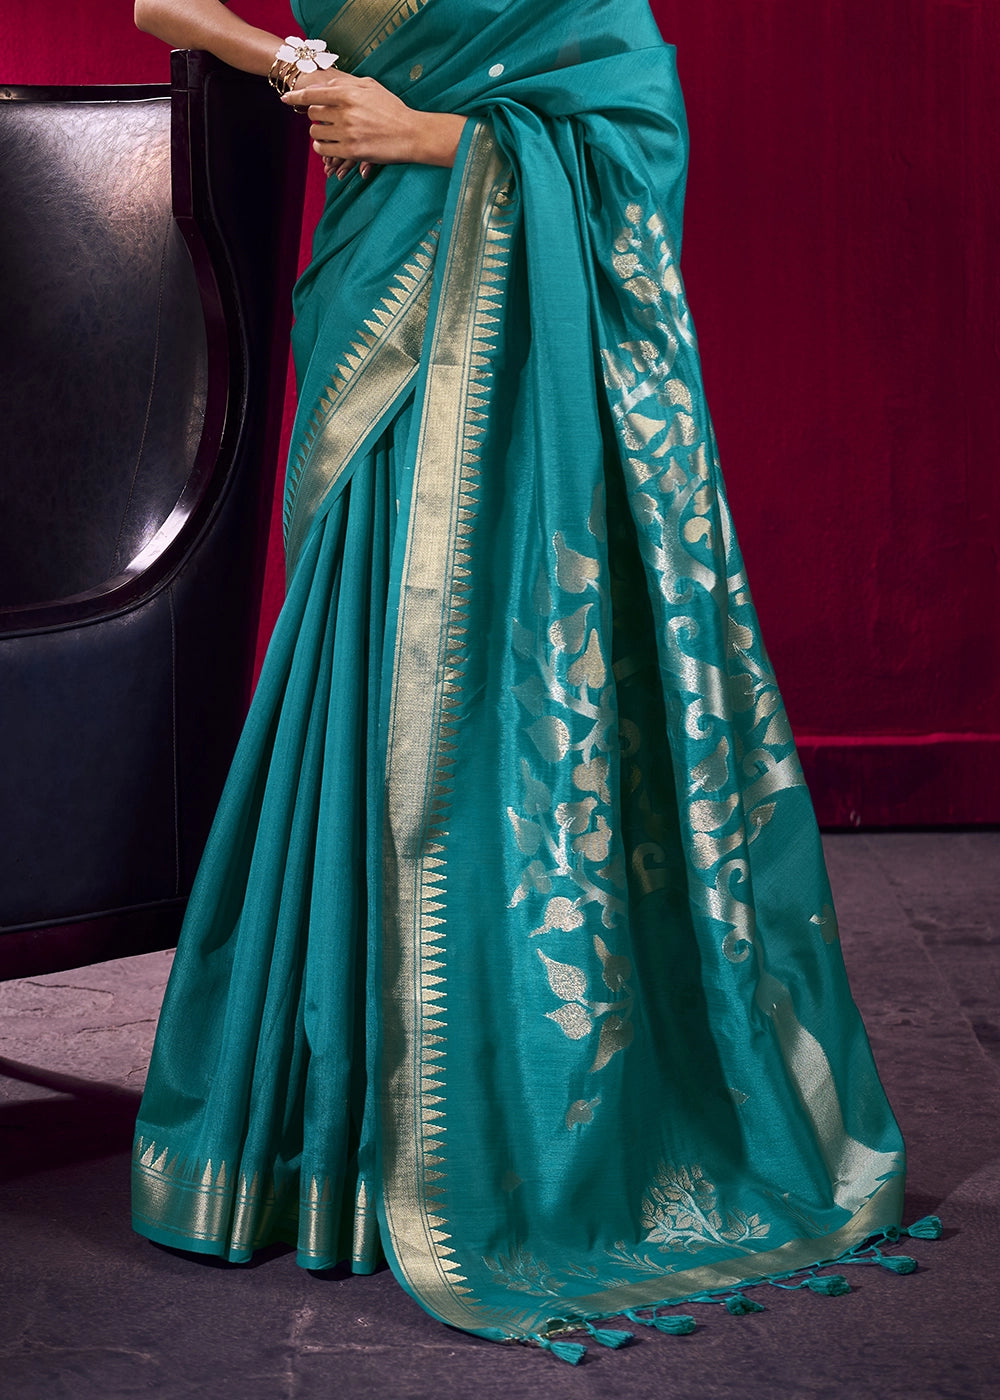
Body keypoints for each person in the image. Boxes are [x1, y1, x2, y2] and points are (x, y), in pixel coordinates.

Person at [130, 0, 924, 1362]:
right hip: (380, 282)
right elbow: (162, 2)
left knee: (503, 708)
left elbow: (632, 120)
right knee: (362, 678)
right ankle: (328, 1144)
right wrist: (304, 65)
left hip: (475, 268)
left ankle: (508, 1132)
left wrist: (435, 135)